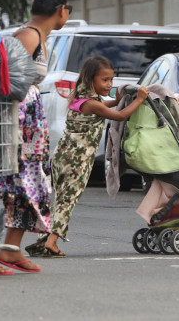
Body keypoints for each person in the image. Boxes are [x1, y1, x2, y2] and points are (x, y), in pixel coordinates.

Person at [25, 56, 150, 257]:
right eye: (105, 80)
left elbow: (101, 108)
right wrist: (140, 99)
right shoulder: (93, 103)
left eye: (111, 79)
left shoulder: (80, 98)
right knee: (68, 200)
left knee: (59, 200)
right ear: (91, 79)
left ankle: (44, 241)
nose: (109, 84)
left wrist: (116, 100)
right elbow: (119, 116)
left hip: (62, 156)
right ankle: (51, 241)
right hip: (78, 159)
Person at [0, 0, 71, 276]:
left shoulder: (37, 35)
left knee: (30, 189)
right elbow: (5, 81)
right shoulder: (28, 37)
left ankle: (9, 251)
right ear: (61, 10)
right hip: (18, 123)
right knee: (12, 187)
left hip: (29, 125)